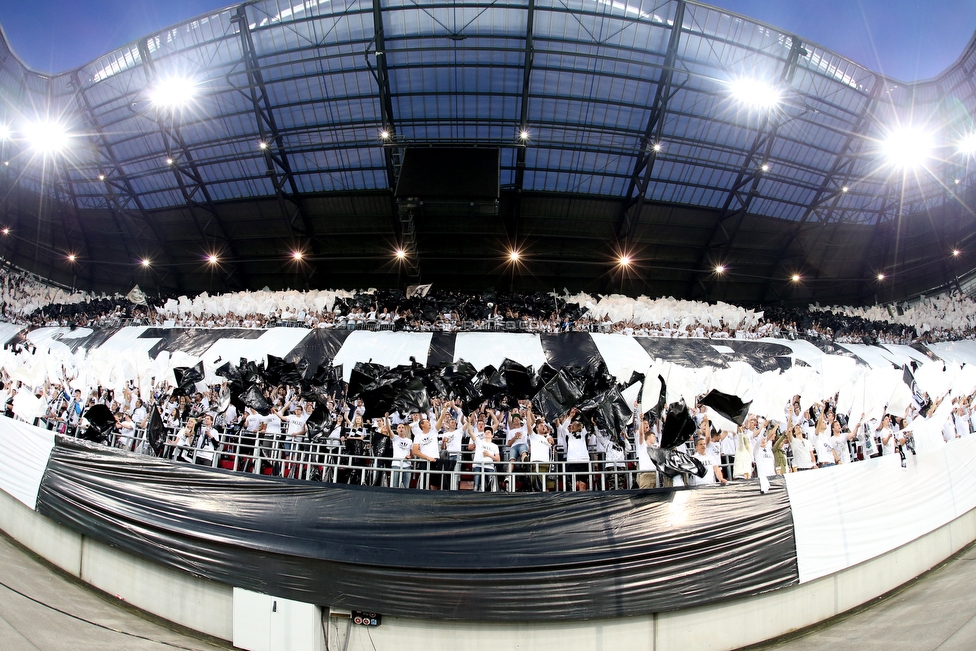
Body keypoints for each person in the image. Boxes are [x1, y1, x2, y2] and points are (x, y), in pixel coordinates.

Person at [468, 422, 500, 491]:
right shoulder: (479, 441)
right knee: (475, 486)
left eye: (489, 432)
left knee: (491, 487)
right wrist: (468, 422)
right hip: (478, 465)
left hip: (489, 466)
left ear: (492, 435)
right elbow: (470, 432)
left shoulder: (495, 446)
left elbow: (498, 459)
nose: (486, 433)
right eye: (485, 432)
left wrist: (489, 455)